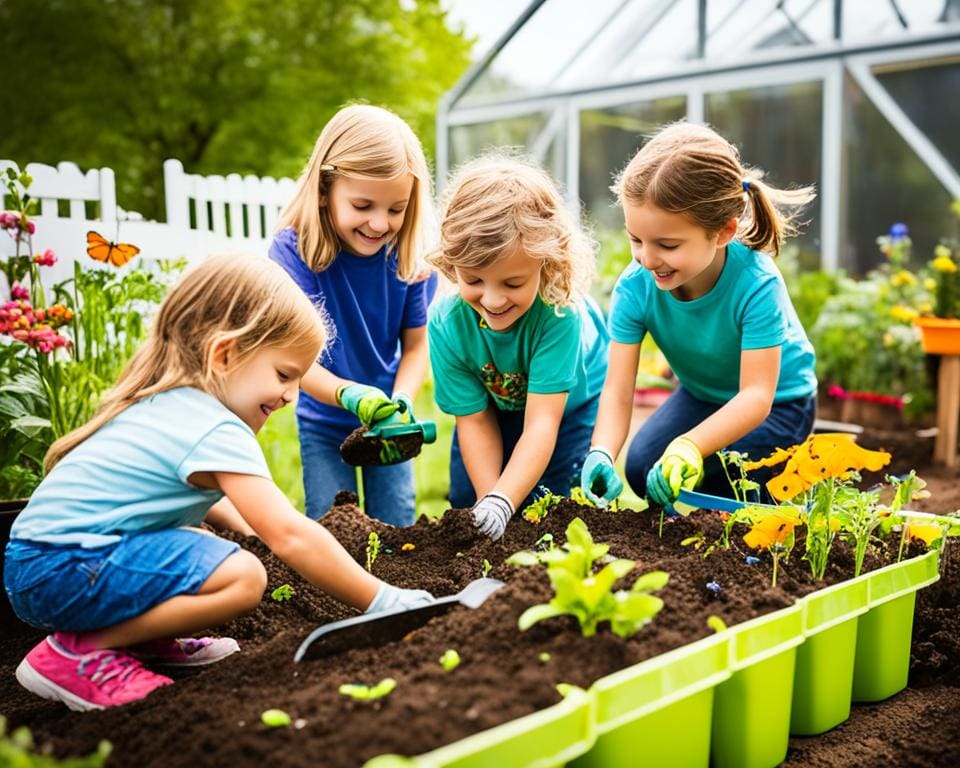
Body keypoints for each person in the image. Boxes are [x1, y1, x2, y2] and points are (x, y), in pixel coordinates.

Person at [3, 255, 433, 712]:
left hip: (42, 562)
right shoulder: (215, 427)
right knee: (242, 576)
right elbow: (289, 533)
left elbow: (216, 503)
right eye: (284, 375)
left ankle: (142, 640)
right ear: (224, 354)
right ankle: (79, 653)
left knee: (205, 545)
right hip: (63, 567)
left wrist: (250, 531)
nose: (290, 396)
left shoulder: (169, 404)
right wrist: (383, 598)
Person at [581, 121, 818, 511]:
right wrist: (603, 451)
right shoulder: (634, 287)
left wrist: (690, 446)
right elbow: (618, 390)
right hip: (703, 395)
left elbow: (757, 396)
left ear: (723, 232)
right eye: (636, 240)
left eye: (668, 244)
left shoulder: (756, 284)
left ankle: (788, 490)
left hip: (781, 403)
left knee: (729, 484)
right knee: (643, 470)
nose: (648, 259)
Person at [427, 154, 609, 540]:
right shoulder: (447, 323)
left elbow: (543, 421)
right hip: (495, 406)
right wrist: (490, 503)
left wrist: (506, 500)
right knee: (468, 501)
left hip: (566, 409)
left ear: (548, 264)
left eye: (511, 284)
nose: (492, 301)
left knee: (553, 507)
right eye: (474, 280)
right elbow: (474, 420)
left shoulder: (559, 316)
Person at [270, 104, 436, 526]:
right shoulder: (295, 254)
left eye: (396, 209)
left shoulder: (407, 257)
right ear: (325, 189)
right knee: (333, 528)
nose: (380, 223)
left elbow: (416, 346)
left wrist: (401, 400)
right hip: (325, 421)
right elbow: (294, 360)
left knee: (396, 527)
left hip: (388, 426)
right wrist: (348, 395)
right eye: (363, 205)